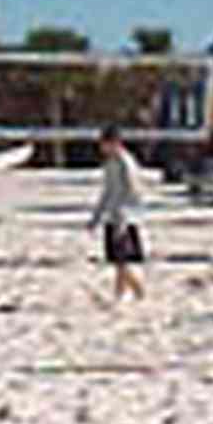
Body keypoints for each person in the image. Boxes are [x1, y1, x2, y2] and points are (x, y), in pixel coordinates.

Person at [89, 124, 146, 304]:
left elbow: (133, 190)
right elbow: (107, 192)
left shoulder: (125, 162)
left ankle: (138, 291)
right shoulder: (109, 163)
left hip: (125, 217)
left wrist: (125, 216)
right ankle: (120, 294)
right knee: (116, 260)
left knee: (123, 260)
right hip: (113, 217)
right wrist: (96, 217)